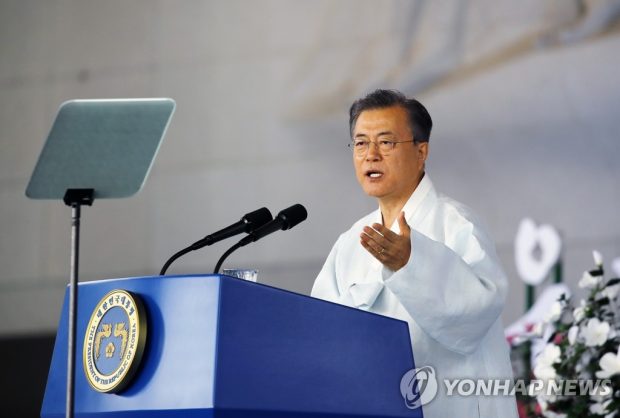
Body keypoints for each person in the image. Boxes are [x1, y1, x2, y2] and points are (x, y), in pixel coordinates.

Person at [311, 89, 518, 418]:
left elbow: (479, 311)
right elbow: (321, 334)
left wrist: (412, 263)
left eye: (386, 142)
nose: (371, 155)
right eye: (361, 142)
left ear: (421, 152)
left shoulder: (456, 224)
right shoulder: (350, 243)